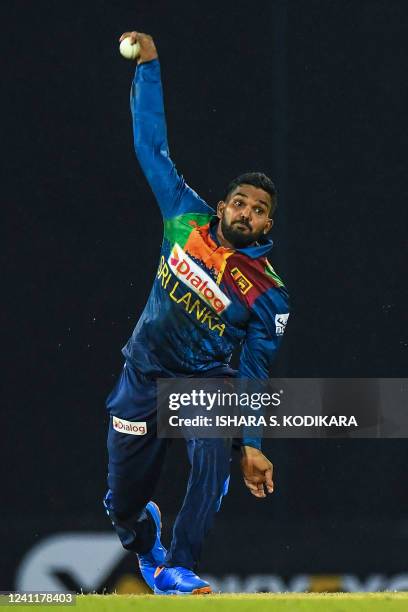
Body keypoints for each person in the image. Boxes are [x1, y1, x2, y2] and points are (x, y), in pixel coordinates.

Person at [103, 30, 290, 596]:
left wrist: (252, 443)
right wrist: (149, 67)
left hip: (203, 379)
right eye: (241, 202)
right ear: (224, 204)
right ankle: (143, 537)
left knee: (215, 442)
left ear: (267, 227)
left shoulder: (268, 292)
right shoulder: (184, 216)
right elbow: (149, 146)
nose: (247, 212)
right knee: (123, 505)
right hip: (143, 371)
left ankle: (177, 566)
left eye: (260, 211)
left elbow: (255, 371)